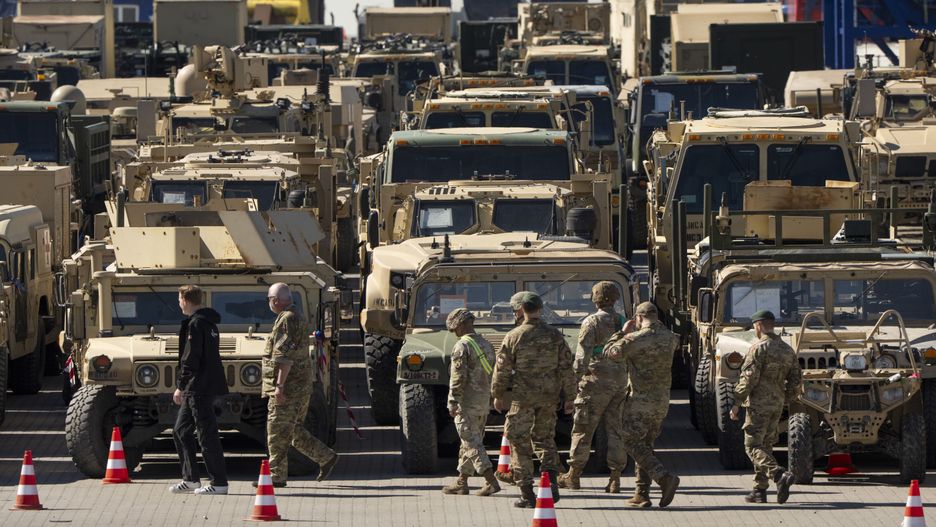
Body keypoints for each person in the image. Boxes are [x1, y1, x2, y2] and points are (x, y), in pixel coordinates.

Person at [491, 291, 576, 508]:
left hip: (523, 399)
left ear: (520, 310)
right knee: (545, 439)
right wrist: (570, 397)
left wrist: (498, 395)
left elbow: (502, 370)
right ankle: (550, 484)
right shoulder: (555, 335)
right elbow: (567, 368)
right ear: (540, 309)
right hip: (549, 398)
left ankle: (527, 492)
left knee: (518, 441)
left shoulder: (514, 336)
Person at [260, 282, 338, 487]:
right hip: (300, 386)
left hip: (290, 388)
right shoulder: (294, 317)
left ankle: (276, 476)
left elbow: (284, 358)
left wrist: (279, 386)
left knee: (276, 430)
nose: (269, 303)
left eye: (269, 299)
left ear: (275, 300)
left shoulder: (288, 320)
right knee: (293, 431)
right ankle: (325, 456)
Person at [603, 301, 680, 508]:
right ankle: (641, 494)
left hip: (639, 401)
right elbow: (670, 338)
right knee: (645, 446)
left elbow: (610, 353)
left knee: (631, 443)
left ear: (638, 318)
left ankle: (664, 478)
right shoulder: (671, 338)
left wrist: (621, 332)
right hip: (661, 401)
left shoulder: (635, 339)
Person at [559, 281, 629, 492]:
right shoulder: (622, 321)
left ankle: (574, 475)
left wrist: (571, 385)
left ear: (595, 299)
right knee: (615, 430)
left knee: (583, 428)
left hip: (595, 381)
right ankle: (615, 477)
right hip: (619, 380)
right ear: (615, 298)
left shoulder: (591, 322)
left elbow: (581, 358)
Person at [730, 309, 802, 504]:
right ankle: (759, 490)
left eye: (754, 326)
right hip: (777, 405)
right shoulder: (787, 350)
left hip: (758, 405)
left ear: (759, 325)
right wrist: (785, 399)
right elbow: (796, 380)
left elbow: (748, 379)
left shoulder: (758, 348)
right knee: (766, 447)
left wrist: (736, 402)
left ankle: (779, 475)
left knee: (752, 445)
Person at [170, 285, 229, 495]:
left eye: (179, 299)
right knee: (181, 430)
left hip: (199, 387)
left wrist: (180, 386)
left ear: (185, 299)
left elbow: (191, 358)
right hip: (202, 385)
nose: (178, 303)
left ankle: (218, 482)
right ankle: (190, 478)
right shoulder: (209, 323)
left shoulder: (197, 324)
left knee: (207, 435)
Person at [440, 308, 500, 497]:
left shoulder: (462, 347)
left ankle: (491, 481)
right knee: (470, 441)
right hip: (483, 402)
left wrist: (453, 402)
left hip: (466, 403)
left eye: (455, 328)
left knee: (472, 443)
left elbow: (457, 378)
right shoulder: (486, 344)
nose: (454, 332)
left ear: (463, 325)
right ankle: (462, 482)